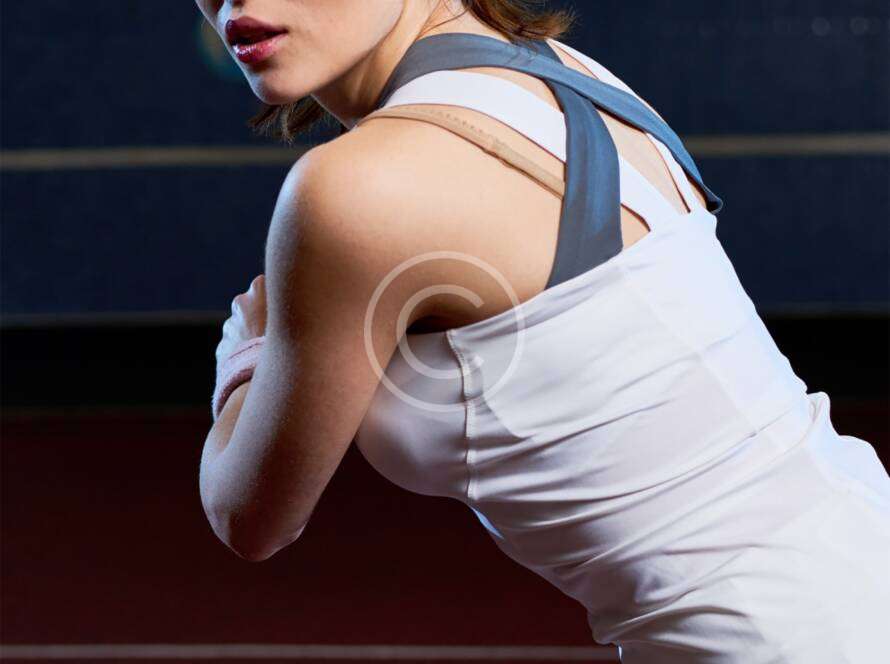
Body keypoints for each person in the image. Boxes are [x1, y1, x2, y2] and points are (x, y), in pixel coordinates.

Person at [195, 1, 890, 661]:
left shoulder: (360, 188)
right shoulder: (557, 71)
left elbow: (248, 517)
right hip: (854, 553)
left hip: (784, 640)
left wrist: (247, 354)